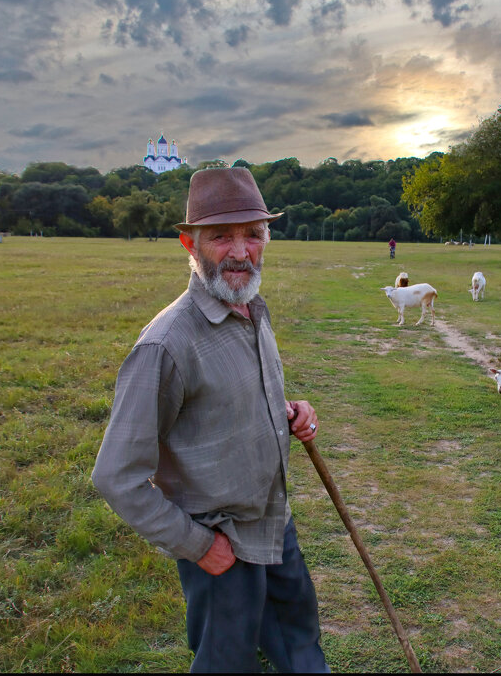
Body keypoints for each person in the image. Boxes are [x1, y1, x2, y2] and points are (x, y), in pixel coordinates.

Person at [92, 167, 329, 674]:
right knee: (228, 664)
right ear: (188, 244)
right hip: (220, 549)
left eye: (253, 234)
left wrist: (290, 412)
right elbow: (116, 476)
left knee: (300, 646)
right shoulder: (166, 344)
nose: (241, 251)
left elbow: (238, 400)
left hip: (273, 525)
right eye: (221, 236)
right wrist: (199, 546)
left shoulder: (251, 309)